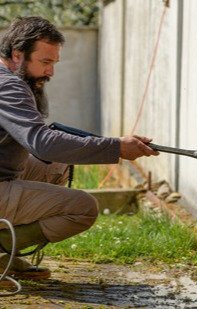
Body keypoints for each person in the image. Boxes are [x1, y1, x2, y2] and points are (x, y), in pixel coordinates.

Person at [0, 16, 158, 280]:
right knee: (83, 208)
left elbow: (42, 147)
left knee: (56, 168)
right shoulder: (9, 86)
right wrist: (116, 147)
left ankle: (8, 258)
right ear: (17, 54)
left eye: (54, 63)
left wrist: (107, 145)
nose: (51, 72)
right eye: (45, 62)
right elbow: (42, 143)